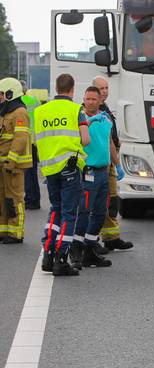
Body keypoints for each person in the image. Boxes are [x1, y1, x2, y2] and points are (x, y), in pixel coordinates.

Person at [35, 74, 91, 276]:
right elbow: (85, 140)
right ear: (72, 89)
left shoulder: (40, 111)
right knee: (69, 213)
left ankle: (48, 253)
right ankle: (61, 258)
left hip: (49, 168)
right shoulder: (77, 110)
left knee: (55, 210)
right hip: (69, 166)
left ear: (57, 88)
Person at [75, 86, 117, 268]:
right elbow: (76, 139)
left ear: (100, 101)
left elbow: (110, 143)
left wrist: (118, 164)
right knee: (83, 211)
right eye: (87, 98)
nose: (90, 102)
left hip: (103, 172)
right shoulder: (79, 117)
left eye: (94, 99)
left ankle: (90, 249)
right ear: (83, 99)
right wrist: (89, 122)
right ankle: (76, 250)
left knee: (100, 213)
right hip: (88, 171)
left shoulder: (106, 118)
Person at [93, 76, 132, 251]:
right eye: (101, 88)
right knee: (101, 203)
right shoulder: (92, 111)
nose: (105, 91)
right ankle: (93, 241)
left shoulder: (105, 109)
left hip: (109, 160)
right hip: (101, 162)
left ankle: (111, 238)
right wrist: (116, 163)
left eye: (106, 87)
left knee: (112, 201)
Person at [0, 78, 32, 244]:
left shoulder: (19, 112)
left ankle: (15, 233)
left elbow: (20, 139)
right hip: (3, 164)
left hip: (13, 165)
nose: (0, 97)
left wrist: (11, 162)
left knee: (14, 199)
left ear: (11, 93)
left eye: (2, 94)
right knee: (2, 198)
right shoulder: (5, 111)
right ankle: (4, 230)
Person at [19, 81, 40, 210]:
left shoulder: (18, 102)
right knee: (33, 173)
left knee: (26, 172)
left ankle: (29, 199)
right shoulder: (34, 100)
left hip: (24, 140)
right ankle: (35, 199)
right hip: (34, 141)